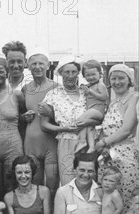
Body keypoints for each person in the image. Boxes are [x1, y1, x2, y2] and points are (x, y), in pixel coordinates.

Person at [41, 56, 103, 185]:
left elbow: (100, 116)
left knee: (89, 180)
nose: (70, 75)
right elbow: (44, 125)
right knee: (68, 181)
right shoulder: (53, 95)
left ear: (78, 74)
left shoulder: (86, 92)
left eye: (73, 72)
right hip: (66, 142)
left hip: (88, 142)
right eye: (66, 72)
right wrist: (64, 128)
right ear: (61, 73)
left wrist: (87, 123)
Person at [95, 64, 139, 210]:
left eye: (121, 78)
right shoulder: (112, 102)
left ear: (129, 80)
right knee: (108, 199)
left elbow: (126, 129)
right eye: (113, 78)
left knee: (126, 198)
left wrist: (103, 142)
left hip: (125, 156)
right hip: (108, 156)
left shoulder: (134, 98)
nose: (117, 82)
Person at [0, 57, 26, 200]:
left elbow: (24, 119)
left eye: (1, 71)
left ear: (7, 73)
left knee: (11, 189)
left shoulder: (16, 95)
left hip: (12, 147)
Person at [22, 49, 59, 200]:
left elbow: (65, 117)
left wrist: (51, 114)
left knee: (52, 183)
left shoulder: (56, 87)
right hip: (31, 142)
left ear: (48, 66)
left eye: (41, 63)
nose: (37, 67)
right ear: (28, 67)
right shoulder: (25, 89)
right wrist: (23, 116)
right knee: (34, 183)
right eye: (34, 64)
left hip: (50, 142)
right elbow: (19, 114)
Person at [75, 60, 108, 153]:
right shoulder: (90, 86)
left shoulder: (100, 85)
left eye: (93, 74)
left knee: (80, 120)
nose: (91, 77)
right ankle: (91, 147)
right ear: (84, 76)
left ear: (100, 73)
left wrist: (90, 92)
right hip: (93, 110)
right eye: (88, 75)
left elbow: (104, 97)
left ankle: (82, 141)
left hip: (97, 110)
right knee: (89, 128)